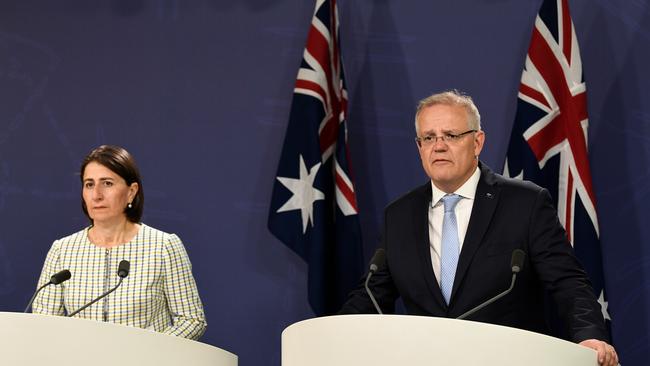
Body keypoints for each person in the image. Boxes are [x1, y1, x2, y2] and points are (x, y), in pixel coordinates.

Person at [340, 91, 618, 365]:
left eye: (451, 135)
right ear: (419, 147)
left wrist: (589, 335)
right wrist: (331, 338)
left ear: (477, 142)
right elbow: (371, 296)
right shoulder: (399, 215)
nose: (438, 146)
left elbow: (568, 282)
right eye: (429, 137)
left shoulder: (524, 203)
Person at [32, 145, 206, 340]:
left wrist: (152, 353)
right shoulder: (63, 250)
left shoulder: (163, 246)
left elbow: (191, 320)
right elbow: (43, 323)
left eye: (107, 183)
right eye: (89, 184)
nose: (96, 194)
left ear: (131, 192)